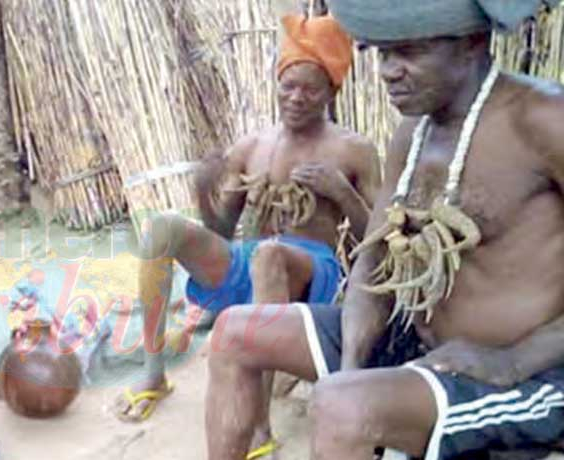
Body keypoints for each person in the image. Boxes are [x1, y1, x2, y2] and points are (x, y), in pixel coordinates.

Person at [204, 1, 564, 459]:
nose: (389, 71)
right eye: (382, 54)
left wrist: (514, 360)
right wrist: (351, 366)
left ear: (473, 43)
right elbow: (373, 260)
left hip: (533, 373)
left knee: (343, 409)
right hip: (419, 343)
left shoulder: (545, 118)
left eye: (409, 52)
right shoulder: (412, 134)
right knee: (235, 333)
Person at [115, 11, 379, 447]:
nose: (295, 97)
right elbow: (221, 230)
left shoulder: (353, 149)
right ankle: (153, 374)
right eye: (287, 86)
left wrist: (343, 195)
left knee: (267, 256)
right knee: (161, 228)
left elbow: (379, 237)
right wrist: (209, 191)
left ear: (332, 89)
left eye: (309, 89)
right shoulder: (253, 146)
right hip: (250, 262)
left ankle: (258, 426)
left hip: (312, 268)